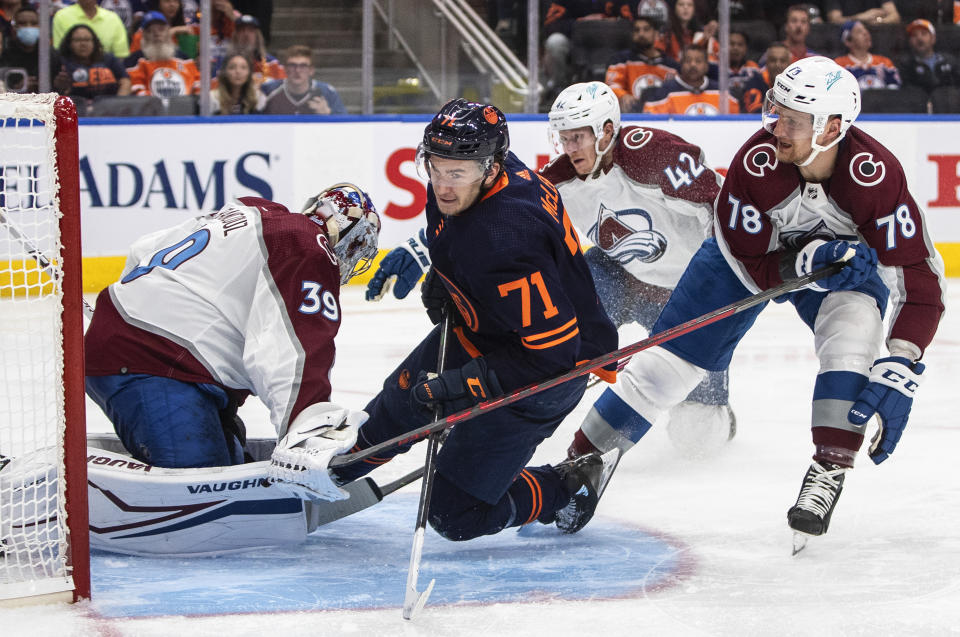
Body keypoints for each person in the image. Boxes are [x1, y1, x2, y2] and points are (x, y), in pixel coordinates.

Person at [566, 56, 945, 543]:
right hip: (740, 260)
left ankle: (829, 466)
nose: (776, 128)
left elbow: (921, 278)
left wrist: (902, 360)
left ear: (832, 127)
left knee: (854, 332)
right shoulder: (755, 163)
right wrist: (802, 261)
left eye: (792, 120)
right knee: (666, 362)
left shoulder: (875, 178)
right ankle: (582, 461)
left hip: (834, 270)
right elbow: (747, 261)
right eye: (775, 111)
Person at [309, 99, 621, 540]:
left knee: (455, 514)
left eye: (457, 173)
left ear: (492, 168)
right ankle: (327, 478)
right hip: (491, 331)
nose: (443, 185)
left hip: (549, 372)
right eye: (435, 168)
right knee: (389, 415)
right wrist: (446, 273)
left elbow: (552, 356)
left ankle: (566, 486)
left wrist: (465, 386)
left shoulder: (507, 236)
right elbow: (466, 235)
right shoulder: (479, 167)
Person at [84, 183, 381, 470]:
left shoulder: (250, 211)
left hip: (129, 345)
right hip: (153, 364)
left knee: (230, 461)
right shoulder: (308, 247)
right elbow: (295, 348)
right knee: (203, 486)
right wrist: (305, 432)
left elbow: (142, 250)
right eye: (357, 246)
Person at [540, 81, 736, 458]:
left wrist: (730, 275)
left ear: (607, 131)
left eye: (578, 137)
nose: (570, 148)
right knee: (560, 336)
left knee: (699, 439)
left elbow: (719, 204)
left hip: (686, 289)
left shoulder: (650, 153)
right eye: (564, 138)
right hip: (618, 273)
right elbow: (509, 217)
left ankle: (719, 412)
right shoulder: (558, 180)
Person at [604, 15, 679, 112]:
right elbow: (611, 85)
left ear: (656, 34)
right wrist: (623, 95)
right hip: (631, 115)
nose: (641, 34)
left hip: (662, 116)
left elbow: (677, 93)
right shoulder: (621, 60)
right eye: (637, 30)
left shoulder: (671, 66)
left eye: (646, 29)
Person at [642, 45, 740, 114]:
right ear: (681, 64)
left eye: (698, 61)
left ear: (706, 66)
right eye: (688, 61)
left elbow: (736, 123)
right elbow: (651, 123)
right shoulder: (665, 92)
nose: (693, 65)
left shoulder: (721, 91)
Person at [126, 11, 201, 97]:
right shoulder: (134, 60)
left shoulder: (184, 58)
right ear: (144, 35)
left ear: (168, 32)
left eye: (161, 29)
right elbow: (136, 91)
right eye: (151, 30)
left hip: (186, 107)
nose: (157, 33)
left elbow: (197, 84)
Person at [53, 24, 131, 101]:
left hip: (109, 109)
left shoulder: (109, 59)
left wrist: (118, 103)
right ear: (69, 44)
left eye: (87, 40)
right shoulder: (61, 62)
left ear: (94, 42)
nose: (83, 44)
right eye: (77, 40)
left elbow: (125, 81)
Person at [261, 45, 346, 115]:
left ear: (311, 70)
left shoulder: (327, 92)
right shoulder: (268, 90)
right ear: (285, 69)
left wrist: (328, 113)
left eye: (303, 66)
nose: (297, 71)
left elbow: (346, 126)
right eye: (292, 65)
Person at [0, 4, 58, 93]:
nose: (28, 27)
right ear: (13, 28)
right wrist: (18, 88)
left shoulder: (51, 56)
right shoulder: (4, 55)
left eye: (34, 23)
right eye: (22, 23)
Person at [215, 13, 284, 88]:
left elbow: (283, 88)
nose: (246, 34)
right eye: (242, 30)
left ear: (257, 36)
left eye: (250, 30)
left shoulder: (272, 63)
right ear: (235, 36)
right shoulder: (223, 63)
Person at [897, 18, 960, 94]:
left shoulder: (950, 61)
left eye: (924, 33)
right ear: (910, 42)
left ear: (933, 39)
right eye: (914, 35)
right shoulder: (905, 65)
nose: (919, 38)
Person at [834, 19, 901, 89]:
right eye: (859, 32)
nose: (866, 33)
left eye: (865, 29)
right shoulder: (839, 65)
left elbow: (895, 89)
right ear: (848, 41)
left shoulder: (884, 62)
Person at [52, 0, 130, 60]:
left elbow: (120, 56)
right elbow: (60, 54)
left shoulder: (113, 18)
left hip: (107, 74)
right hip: (72, 73)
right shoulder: (61, 17)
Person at [740, 41, 792, 113]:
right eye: (773, 60)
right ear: (766, 63)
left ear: (790, 64)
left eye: (782, 61)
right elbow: (754, 111)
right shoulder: (755, 80)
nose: (777, 65)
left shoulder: (797, 85)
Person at [825, 0, 901, 25]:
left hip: (876, 36)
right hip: (848, 38)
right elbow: (834, 20)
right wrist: (860, 18)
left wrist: (879, 21)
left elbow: (895, 16)